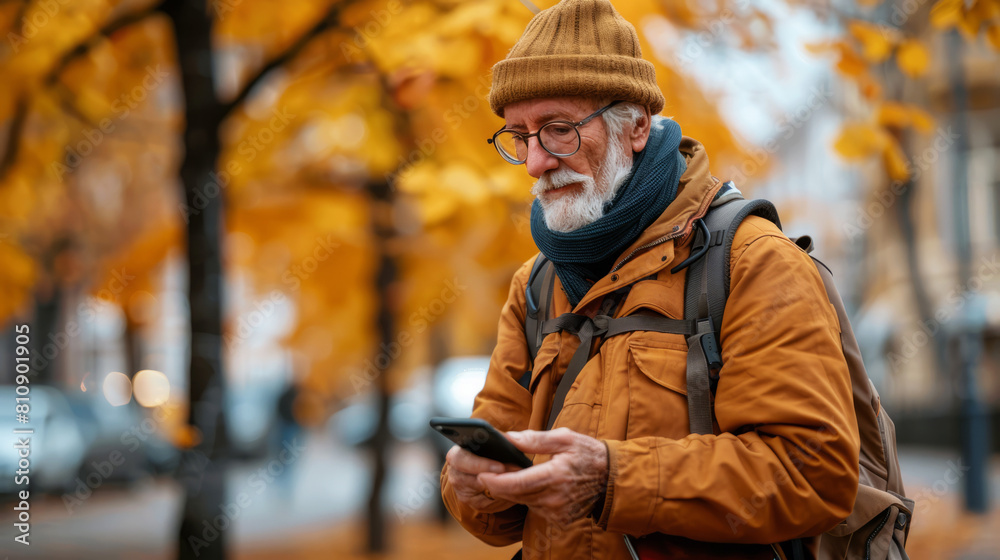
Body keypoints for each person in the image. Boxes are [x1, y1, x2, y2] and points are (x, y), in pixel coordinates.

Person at [439, 1, 860, 558]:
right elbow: (499, 522)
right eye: (520, 136)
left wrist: (615, 478)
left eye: (558, 130)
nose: (536, 162)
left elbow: (814, 476)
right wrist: (469, 485)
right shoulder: (535, 285)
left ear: (635, 126)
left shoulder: (753, 262)